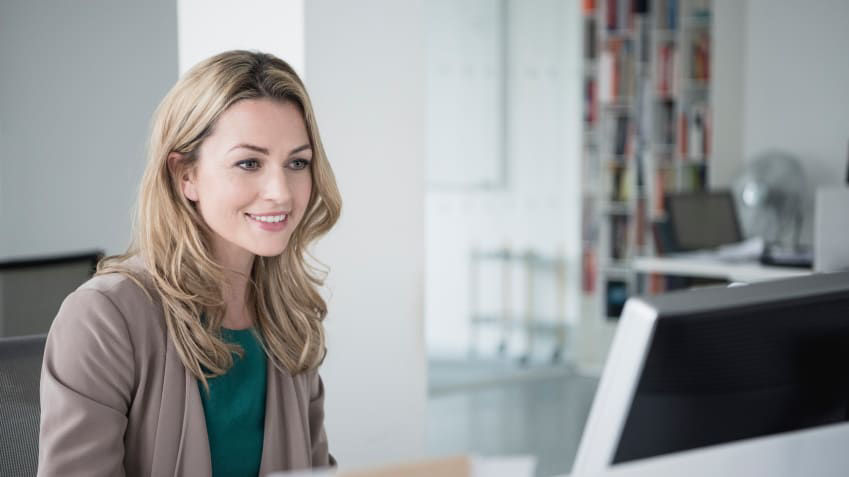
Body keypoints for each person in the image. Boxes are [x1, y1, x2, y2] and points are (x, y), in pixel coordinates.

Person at [37, 50, 341, 476]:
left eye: (297, 163)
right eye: (249, 163)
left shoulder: (291, 318)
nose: (281, 192)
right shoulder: (104, 318)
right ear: (186, 175)